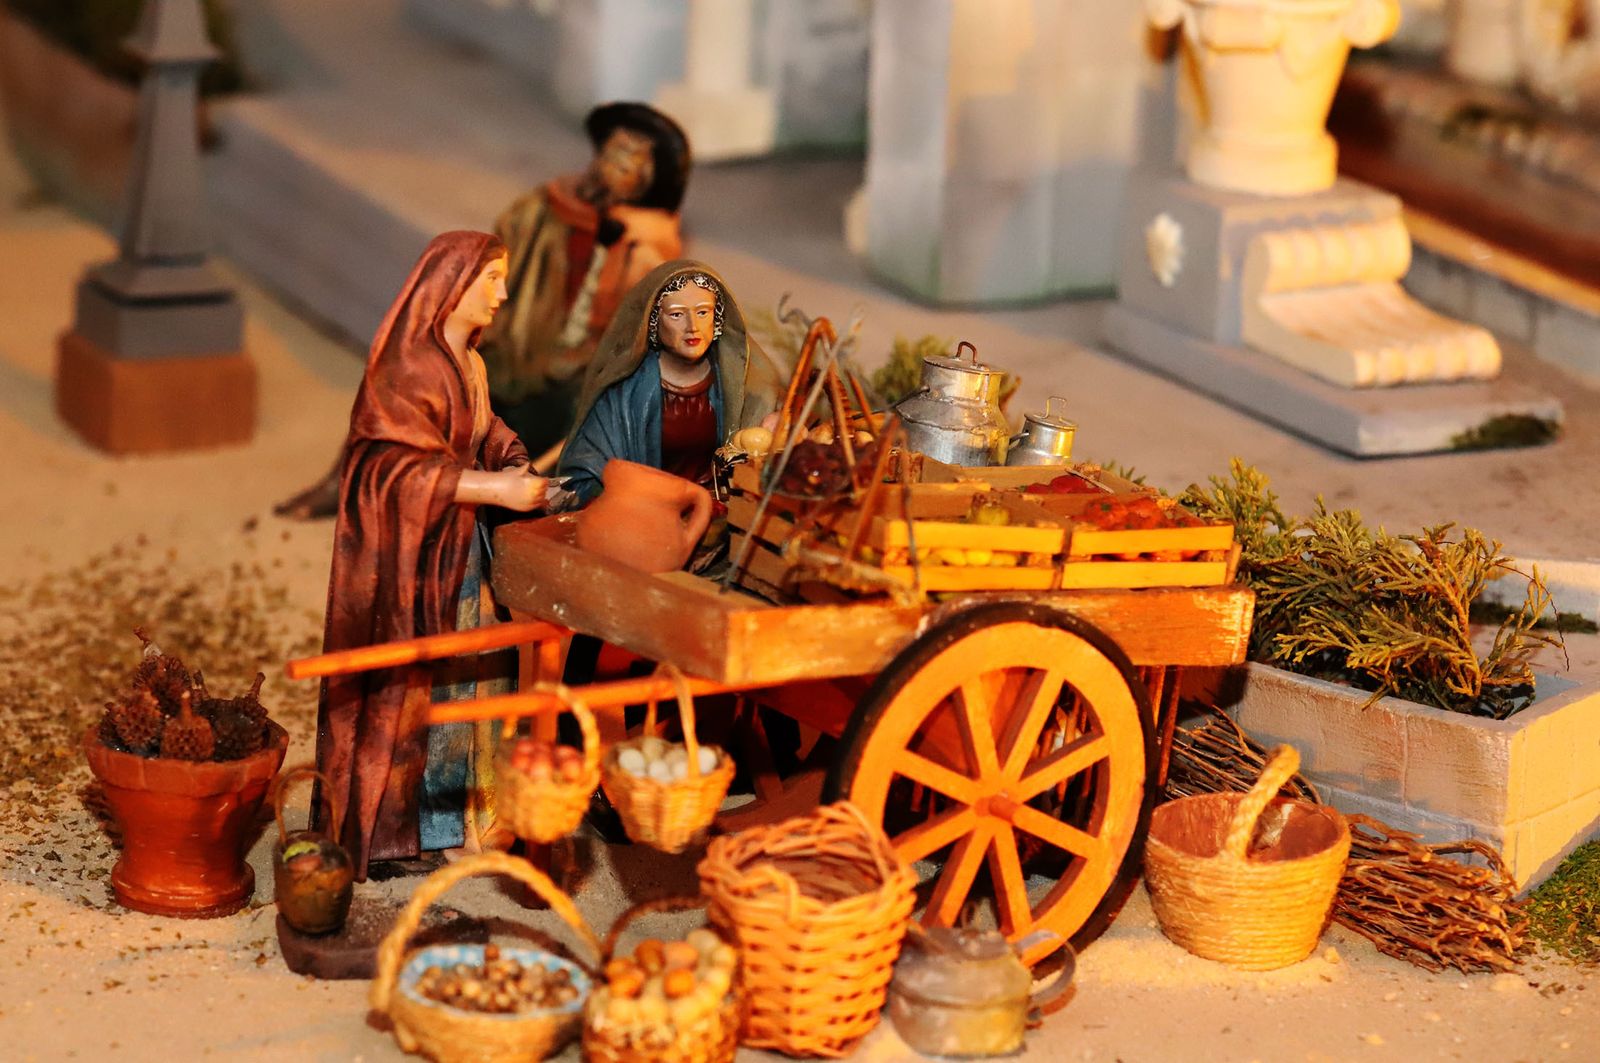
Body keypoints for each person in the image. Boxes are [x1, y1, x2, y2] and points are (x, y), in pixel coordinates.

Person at [274, 102, 689, 520]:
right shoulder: (543, 210)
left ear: (650, 178)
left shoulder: (648, 243)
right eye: (615, 152)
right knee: (410, 376)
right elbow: (495, 262)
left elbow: (641, 325)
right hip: (512, 345)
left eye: (634, 159)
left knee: (569, 440)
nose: (617, 166)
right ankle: (350, 480)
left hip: (575, 379)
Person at [314, 230, 547, 882]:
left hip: (464, 552)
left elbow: (481, 428)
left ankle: (470, 816)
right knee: (427, 686)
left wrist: (510, 458)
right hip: (415, 566)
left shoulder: (470, 361)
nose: (502, 294)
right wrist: (493, 487)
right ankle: (412, 826)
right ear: (452, 284)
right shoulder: (405, 370)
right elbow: (386, 470)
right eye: (492, 278)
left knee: (481, 677)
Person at [557, 260, 784, 506]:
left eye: (703, 312)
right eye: (676, 314)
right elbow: (584, 471)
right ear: (653, 320)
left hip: (723, 513)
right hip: (651, 516)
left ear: (717, 318)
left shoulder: (744, 387)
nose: (692, 327)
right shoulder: (623, 395)